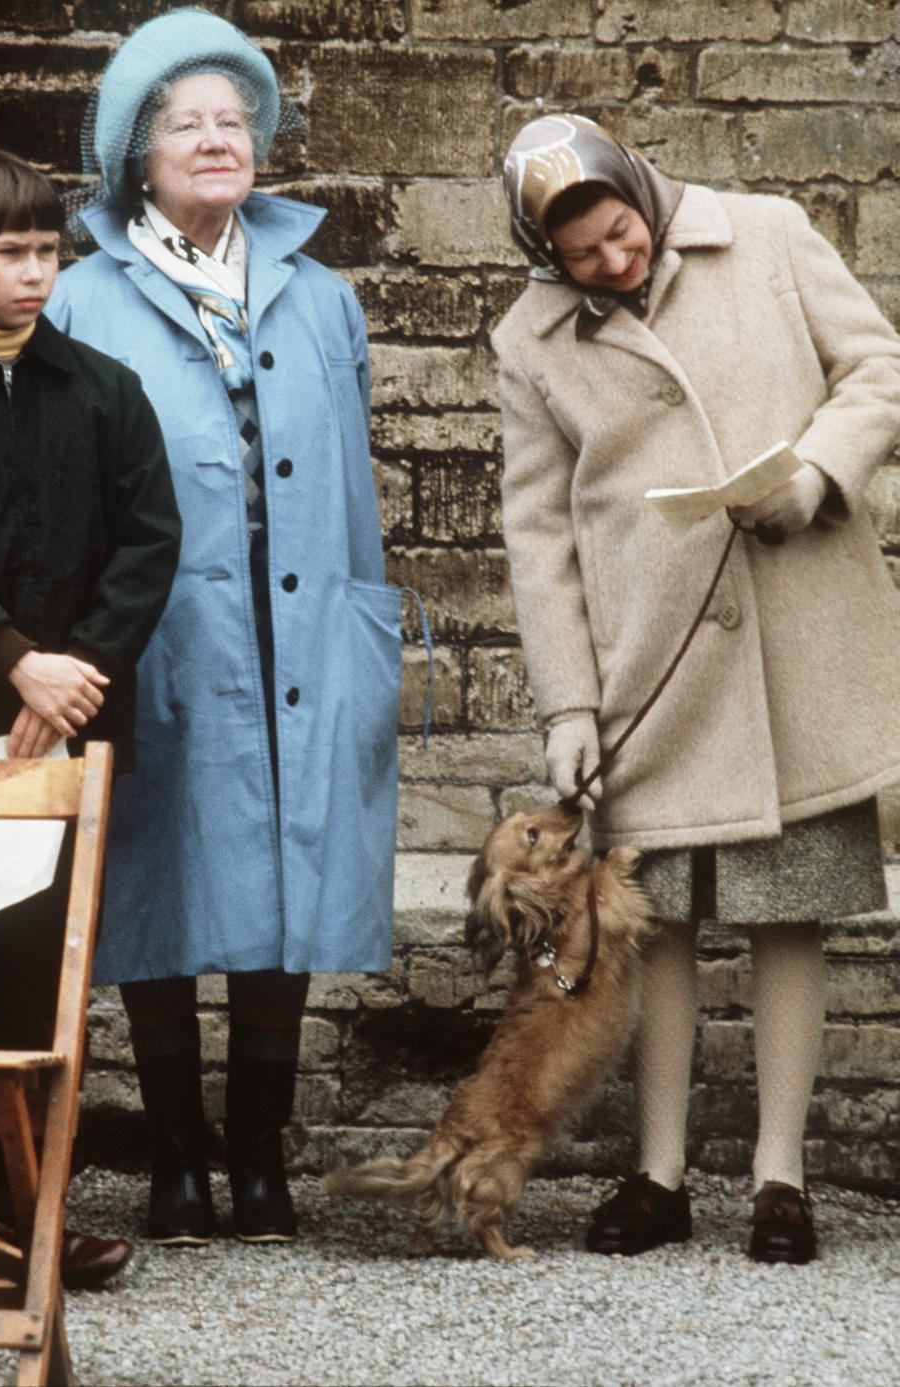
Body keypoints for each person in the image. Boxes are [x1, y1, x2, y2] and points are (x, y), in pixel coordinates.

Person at [494, 113, 900, 1263]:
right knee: (653, 922)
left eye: (621, 234)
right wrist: (569, 706)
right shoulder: (530, 340)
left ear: (643, 193)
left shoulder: (769, 237)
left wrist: (819, 469)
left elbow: (879, 368)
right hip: (649, 663)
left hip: (794, 642)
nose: (614, 264)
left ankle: (782, 1175)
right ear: (544, 256)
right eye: (583, 257)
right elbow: (540, 536)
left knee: (788, 910)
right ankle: (657, 1171)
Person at [46, 7, 403, 1247]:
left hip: (302, 615)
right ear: (135, 157)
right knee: (157, 874)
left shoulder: (319, 294)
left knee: (285, 875)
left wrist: (370, 634)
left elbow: (356, 483)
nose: (216, 141)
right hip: (157, 625)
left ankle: (262, 1164)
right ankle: (175, 1166)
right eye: (186, 124)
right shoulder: (84, 297)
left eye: (234, 120)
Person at [0, 146, 182, 1286]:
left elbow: (149, 543)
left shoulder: (103, 391)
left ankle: (23, 1213)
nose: (37, 273)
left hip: (62, 734)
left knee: (37, 982)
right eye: (11, 252)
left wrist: (74, 669)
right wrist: (10, 661)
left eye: (49, 250)